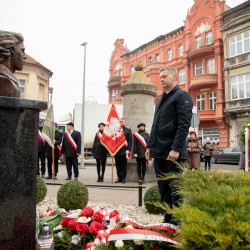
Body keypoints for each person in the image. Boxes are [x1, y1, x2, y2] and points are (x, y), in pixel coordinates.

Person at [145, 67, 193, 225]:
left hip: (173, 153)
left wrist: (177, 148)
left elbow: (184, 124)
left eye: (165, 76)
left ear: (174, 77)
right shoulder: (159, 100)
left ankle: (177, 221)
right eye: (160, 76)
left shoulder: (182, 96)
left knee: (176, 189)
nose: (161, 79)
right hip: (159, 152)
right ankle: (167, 219)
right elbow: (155, 125)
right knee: (163, 189)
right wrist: (149, 146)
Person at [0, 30, 26, 97]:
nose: (25, 56)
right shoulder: (4, 80)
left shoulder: (9, 79)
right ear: (12, 50)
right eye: (22, 51)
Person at [114, 118, 132, 184]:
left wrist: (129, 150)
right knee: (118, 166)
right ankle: (119, 178)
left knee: (124, 166)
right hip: (117, 151)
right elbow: (113, 140)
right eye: (120, 121)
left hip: (125, 151)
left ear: (125, 122)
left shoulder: (128, 130)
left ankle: (123, 178)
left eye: (122, 121)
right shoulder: (116, 130)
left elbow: (130, 141)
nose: (121, 122)